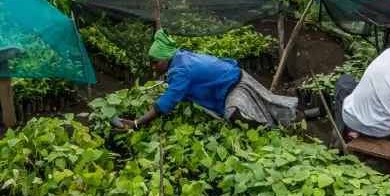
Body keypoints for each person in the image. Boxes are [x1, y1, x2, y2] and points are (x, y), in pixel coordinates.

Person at [117, 31, 296, 131]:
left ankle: (271, 132)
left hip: (236, 86)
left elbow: (167, 102)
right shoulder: (179, 57)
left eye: (155, 63)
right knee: (266, 106)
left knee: (238, 116)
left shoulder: (181, 70)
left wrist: (136, 123)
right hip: (231, 82)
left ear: (166, 58)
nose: (153, 67)